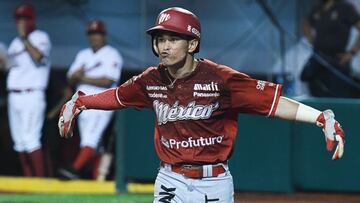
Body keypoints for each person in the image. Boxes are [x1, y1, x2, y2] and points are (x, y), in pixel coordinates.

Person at [58, 7, 345, 202]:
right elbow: (118, 96)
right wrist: (81, 102)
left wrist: (321, 118)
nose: (164, 46)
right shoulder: (151, 79)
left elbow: (274, 104)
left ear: (192, 45)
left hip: (214, 182)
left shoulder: (221, 79)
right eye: (160, 39)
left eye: (173, 39)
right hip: (170, 179)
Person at [57, 20, 123, 180]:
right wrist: (76, 76)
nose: (94, 37)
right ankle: (97, 180)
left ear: (104, 36)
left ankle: (74, 169)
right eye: (92, 34)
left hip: (102, 103)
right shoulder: (83, 55)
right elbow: (70, 77)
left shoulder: (112, 54)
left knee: (91, 139)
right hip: (82, 104)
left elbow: (108, 80)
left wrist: (83, 77)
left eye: (97, 34)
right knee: (91, 143)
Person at [6, 4, 51, 177]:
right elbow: (10, 67)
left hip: (32, 93)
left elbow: (38, 57)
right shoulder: (15, 42)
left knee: (30, 139)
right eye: (19, 19)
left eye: (24, 19)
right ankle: (28, 183)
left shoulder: (40, 37)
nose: (21, 22)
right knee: (19, 142)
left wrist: (25, 39)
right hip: (14, 94)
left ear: (32, 20)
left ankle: (39, 183)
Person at [301, 0, 360, 97]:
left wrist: (352, 53)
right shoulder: (318, 8)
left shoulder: (345, 8)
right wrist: (311, 39)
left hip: (338, 60)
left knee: (338, 96)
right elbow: (306, 24)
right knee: (315, 94)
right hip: (319, 58)